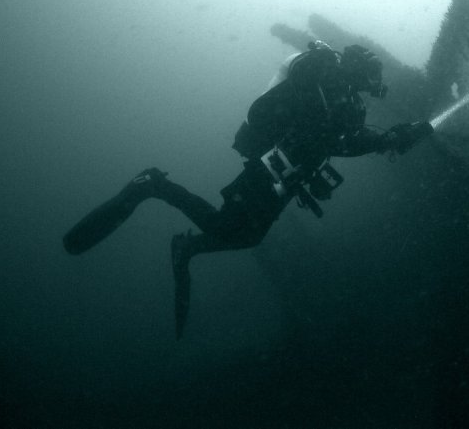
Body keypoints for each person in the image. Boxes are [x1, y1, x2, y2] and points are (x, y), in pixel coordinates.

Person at [62, 41, 433, 338]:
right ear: (356, 69)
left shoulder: (346, 102)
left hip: (286, 177)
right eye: (371, 78)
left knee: (248, 235)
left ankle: (187, 246)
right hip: (269, 168)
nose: (374, 88)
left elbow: (347, 140)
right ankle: (154, 186)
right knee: (230, 229)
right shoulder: (322, 84)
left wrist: (391, 138)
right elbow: (300, 126)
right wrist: (351, 136)